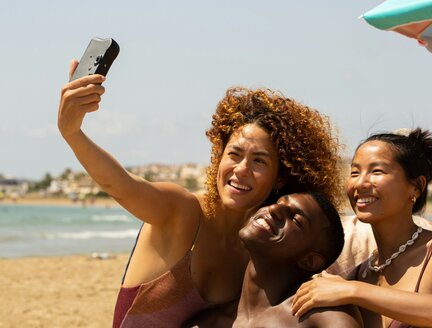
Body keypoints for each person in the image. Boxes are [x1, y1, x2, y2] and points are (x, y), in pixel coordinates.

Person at [57, 61, 343, 328]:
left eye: (259, 161)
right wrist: (73, 133)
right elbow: (120, 184)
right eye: (234, 154)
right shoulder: (182, 211)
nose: (241, 170)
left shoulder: (261, 248)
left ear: (280, 176)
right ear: (219, 157)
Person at [292, 128, 432, 327]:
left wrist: (354, 291)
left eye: (376, 171)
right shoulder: (358, 274)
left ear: (416, 186)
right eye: (354, 172)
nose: (360, 183)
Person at [187, 192, 362, 327]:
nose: (273, 210)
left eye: (296, 219)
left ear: (309, 261)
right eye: (278, 203)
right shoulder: (205, 323)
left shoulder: (324, 315)